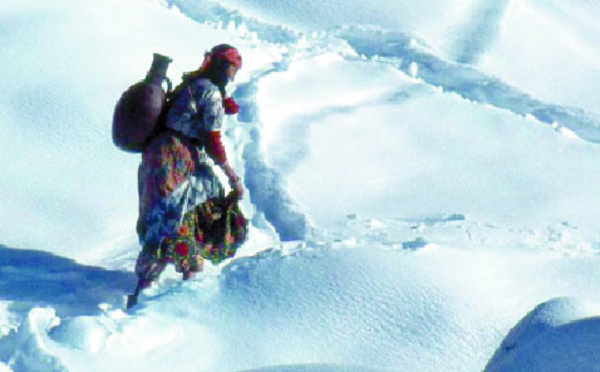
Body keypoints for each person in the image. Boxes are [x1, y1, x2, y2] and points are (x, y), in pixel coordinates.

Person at [127, 44, 248, 309]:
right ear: (222, 67)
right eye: (232, 69)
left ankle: (150, 285)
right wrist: (232, 176)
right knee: (181, 212)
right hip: (178, 159)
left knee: (166, 215)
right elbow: (212, 139)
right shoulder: (210, 92)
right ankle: (183, 288)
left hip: (157, 155)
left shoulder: (194, 84)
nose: (233, 75)